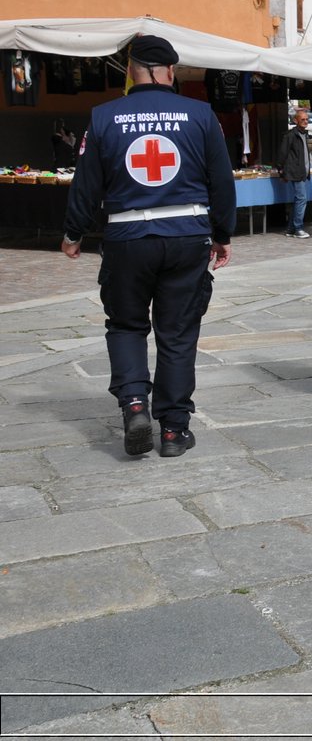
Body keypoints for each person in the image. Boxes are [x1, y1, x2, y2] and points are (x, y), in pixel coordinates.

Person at [62, 35, 235, 459]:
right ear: (170, 71)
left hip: (126, 238)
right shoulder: (200, 114)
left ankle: (134, 404)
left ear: (131, 71)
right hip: (186, 236)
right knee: (177, 333)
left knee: (125, 325)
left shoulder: (103, 117)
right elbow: (222, 180)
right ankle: (174, 429)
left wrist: (73, 232)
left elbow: (87, 184)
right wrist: (222, 234)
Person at [278, 108, 312, 239]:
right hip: (295, 171)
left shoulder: (305, 134)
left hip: (303, 171)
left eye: (307, 119)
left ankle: (291, 228)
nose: (305, 121)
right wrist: (281, 170)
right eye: (303, 119)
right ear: (296, 120)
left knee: (298, 200)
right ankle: (298, 228)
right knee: (301, 199)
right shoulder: (290, 135)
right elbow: (283, 154)